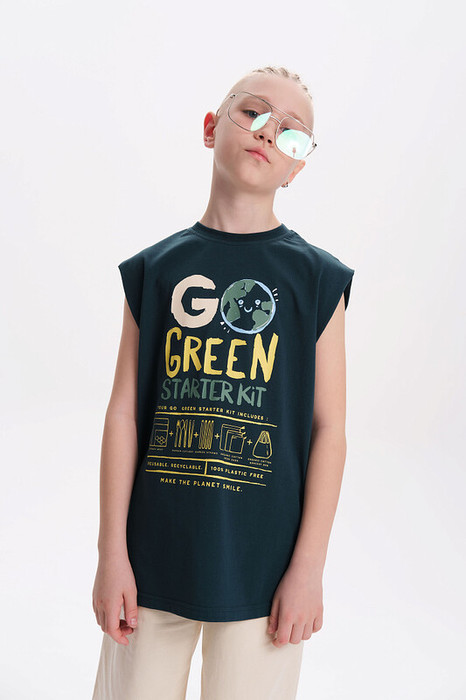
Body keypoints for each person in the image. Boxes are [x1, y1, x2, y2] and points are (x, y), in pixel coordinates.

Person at [91, 64, 355, 700]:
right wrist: (111, 553)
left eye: (291, 133)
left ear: (297, 168)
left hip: (264, 569)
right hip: (151, 557)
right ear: (212, 128)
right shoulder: (155, 270)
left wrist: (308, 567)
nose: (268, 132)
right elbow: (124, 414)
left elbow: (329, 429)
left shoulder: (317, 281)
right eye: (253, 112)